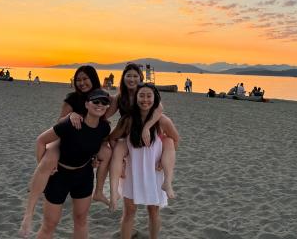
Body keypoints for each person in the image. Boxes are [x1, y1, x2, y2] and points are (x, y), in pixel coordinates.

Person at [20, 66, 111, 237]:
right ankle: (29, 213)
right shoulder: (72, 100)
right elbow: (57, 123)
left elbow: (100, 134)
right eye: (79, 79)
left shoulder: (103, 116)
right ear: (86, 104)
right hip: (63, 144)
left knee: (81, 220)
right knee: (48, 164)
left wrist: (93, 157)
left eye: (85, 79)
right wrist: (71, 116)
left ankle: (98, 191)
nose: (82, 82)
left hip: (83, 171)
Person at [111, 83, 180, 239]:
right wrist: (121, 161)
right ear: (136, 98)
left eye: (149, 96)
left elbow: (175, 140)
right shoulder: (128, 120)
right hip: (132, 172)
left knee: (153, 212)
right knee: (129, 212)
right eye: (141, 95)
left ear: (155, 99)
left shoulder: (162, 121)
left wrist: (164, 161)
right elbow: (112, 138)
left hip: (154, 172)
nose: (145, 99)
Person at [106, 63, 175, 212]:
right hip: (127, 130)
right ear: (123, 78)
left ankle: (167, 182)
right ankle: (113, 194)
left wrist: (147, 127)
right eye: (128, 75)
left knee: (169, 142)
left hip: (146, 130)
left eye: (135, 76)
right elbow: (106, 114)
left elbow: (159, 110)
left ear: (141, 78)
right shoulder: (120, 97)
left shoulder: (147, 93)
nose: (132, 79)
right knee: (118, 152)